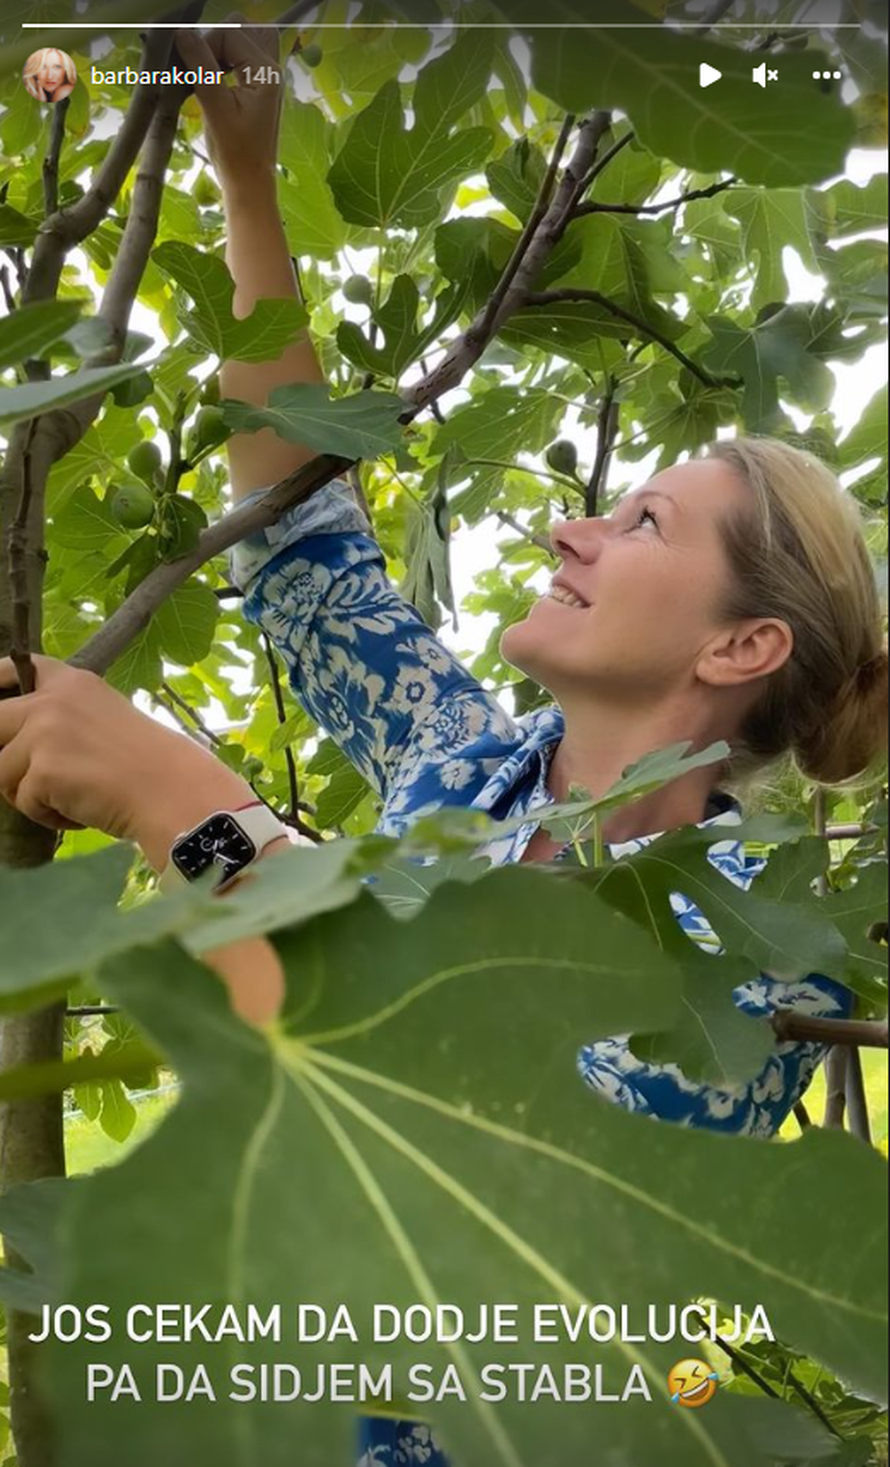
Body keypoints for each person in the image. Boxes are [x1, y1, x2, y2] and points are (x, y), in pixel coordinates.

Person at [0, 23, 886, 1467]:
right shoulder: (472, 767)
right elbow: (303, 549)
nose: (571, 527)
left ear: (740, 648)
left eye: (642, 521)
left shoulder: (754, 962)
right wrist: (244, 173)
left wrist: (188, 806)